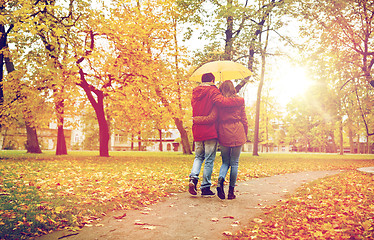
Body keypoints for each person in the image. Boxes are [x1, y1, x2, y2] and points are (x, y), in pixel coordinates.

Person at [189, 73, 244, 196]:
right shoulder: (213, 92)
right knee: (209, 159)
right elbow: (224, 103)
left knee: (198, 157)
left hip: (197, 129)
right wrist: (239, 100)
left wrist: (195, 119)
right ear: (213, 80)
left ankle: (193, 178)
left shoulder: (195, 92)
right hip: (209, 130)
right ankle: (205, 187)